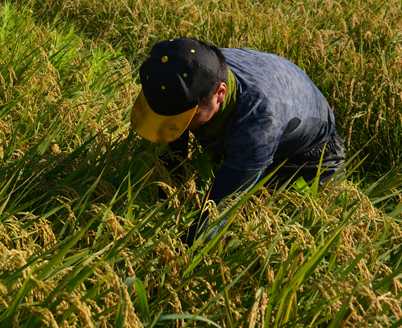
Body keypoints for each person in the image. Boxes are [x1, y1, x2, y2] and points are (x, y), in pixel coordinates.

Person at [130, 37, 346, 245]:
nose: (173, 125)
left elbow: (216, 213)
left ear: (220, 93)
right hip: (267, 104)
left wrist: (172, 260)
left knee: (270, 225)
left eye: (182, 118)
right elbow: (170, 141)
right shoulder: (188, 68)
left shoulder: (257, 123)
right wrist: (167, 193)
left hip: (308, 158)